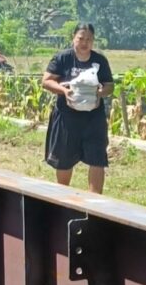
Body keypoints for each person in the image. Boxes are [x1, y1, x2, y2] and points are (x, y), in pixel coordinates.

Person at [41, 23, 114, 194]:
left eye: (89, 39)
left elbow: (109, 85)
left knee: (97, 158)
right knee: (64, 159)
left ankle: (95, 202)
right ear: (73, 38)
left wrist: (100, 93)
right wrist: (64, 91)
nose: (84, 42)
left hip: (93, 117)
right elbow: (46, 81)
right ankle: (62, 197)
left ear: (93, 41)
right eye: (81, 38)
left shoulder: (100, 61)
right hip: (67, 117)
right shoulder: (63, 58)